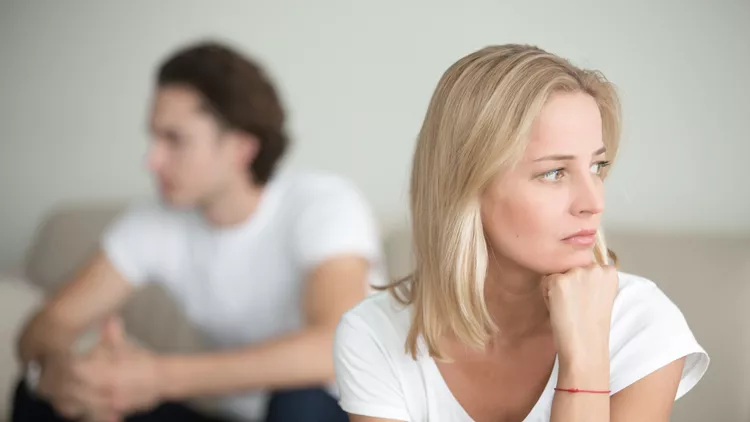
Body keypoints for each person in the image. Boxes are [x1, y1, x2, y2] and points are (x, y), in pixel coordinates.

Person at [332, 44, 710, 421]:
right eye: (553, 173)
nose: (593, 202)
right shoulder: (374, 334)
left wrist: (585, 355)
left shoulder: (641, 322)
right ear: (466, 185)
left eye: (597, 166)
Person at [13, 40, 385, 422]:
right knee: (35, 396)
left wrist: (156, 376)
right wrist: (60, 374)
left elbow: (333, 347)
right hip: (231, 415)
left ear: (241, 148)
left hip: (327, 409)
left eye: (175, 140)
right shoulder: (154, 221)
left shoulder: (322, 203)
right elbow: (49, 323)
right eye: (154, 138)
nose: (151, 160)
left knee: (299, 401)